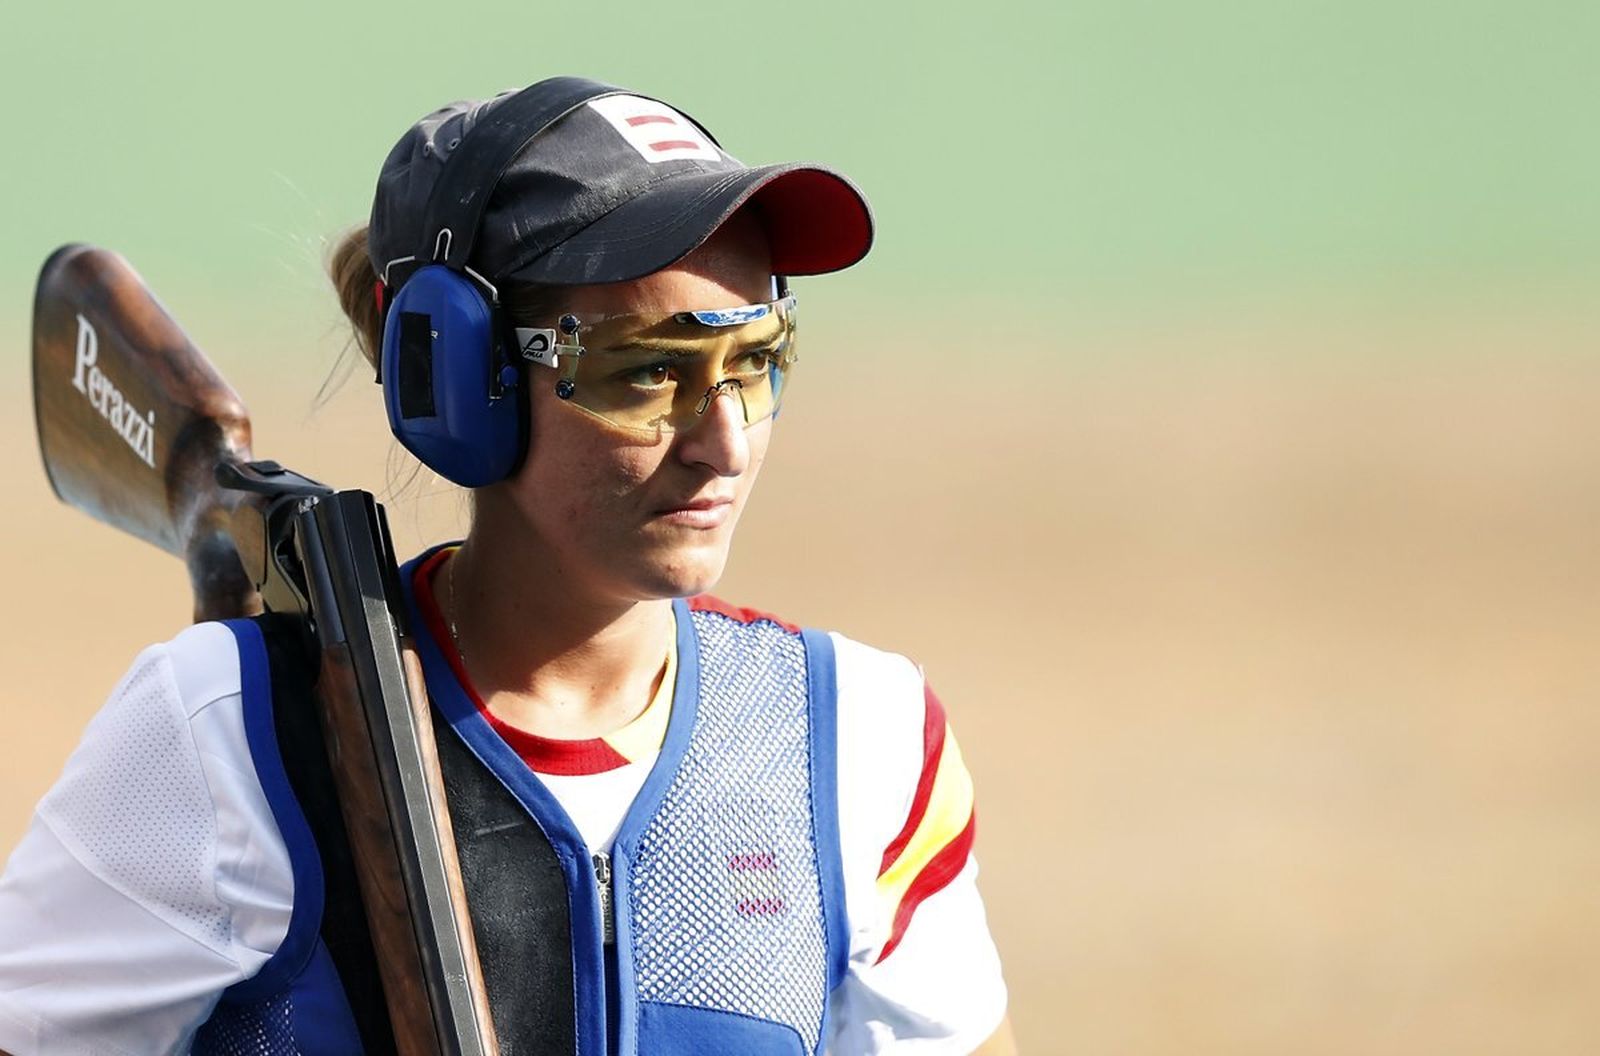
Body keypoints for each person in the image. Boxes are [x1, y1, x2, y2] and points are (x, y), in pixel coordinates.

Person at [0, 76, 1013, 1054]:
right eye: (650, 370)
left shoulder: (864, 742)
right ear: (462, 373)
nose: (725, 442)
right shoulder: (229, 729)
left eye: (755, 360)